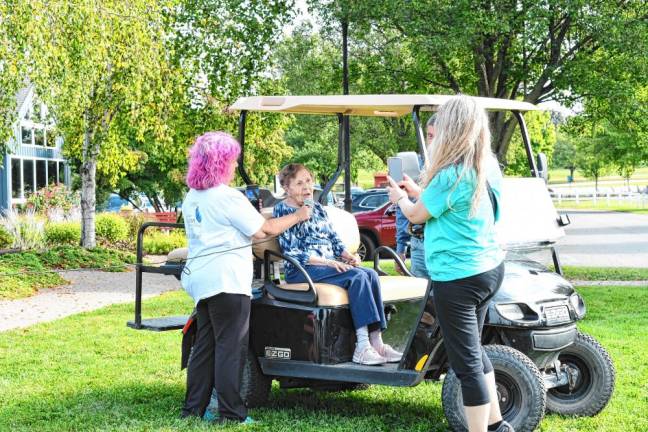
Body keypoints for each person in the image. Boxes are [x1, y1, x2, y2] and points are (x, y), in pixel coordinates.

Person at [386, 95, 512, 432]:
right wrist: (417, 190)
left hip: (458, 279)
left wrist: (400, 197)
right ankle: (498, 425)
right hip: (489, 269)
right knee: (475, 350)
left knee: (465, 362)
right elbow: (444, 204)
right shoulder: (486, 167)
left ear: (451, 129)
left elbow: (415, 214)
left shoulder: (449, 175)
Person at [180, 132, 311, 423]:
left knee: (205, 347)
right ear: (222, 162)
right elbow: (262, 231)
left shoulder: (193, 196)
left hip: (201, 279)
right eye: (233, 159)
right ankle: (231, 413)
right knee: (231, 348)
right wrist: (297, 216)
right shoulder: (228, 197)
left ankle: (192, 410)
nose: (235, 163)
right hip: (227, 281)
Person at [273, 163, 402, 366]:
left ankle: (376, 342)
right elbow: (293, 252)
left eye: (308, 180)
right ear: (286, 187)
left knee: (370, 274)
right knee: (357, 277)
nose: (306, 187)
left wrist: (347, 256)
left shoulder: (317, 209)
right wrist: (329, 262)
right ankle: (362, 345)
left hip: (326, 266)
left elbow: (334, 240)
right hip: (302, 269)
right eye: (299, 183)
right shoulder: (282, 211)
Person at [393, 114, 436, 277]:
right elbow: (404, 211)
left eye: (437, 137)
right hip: (420, 242)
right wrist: (401, 249)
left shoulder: (452, 172)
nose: (432, 142)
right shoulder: (417, 166)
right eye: (430, 136)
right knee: (422, 297)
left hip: (442, 247)